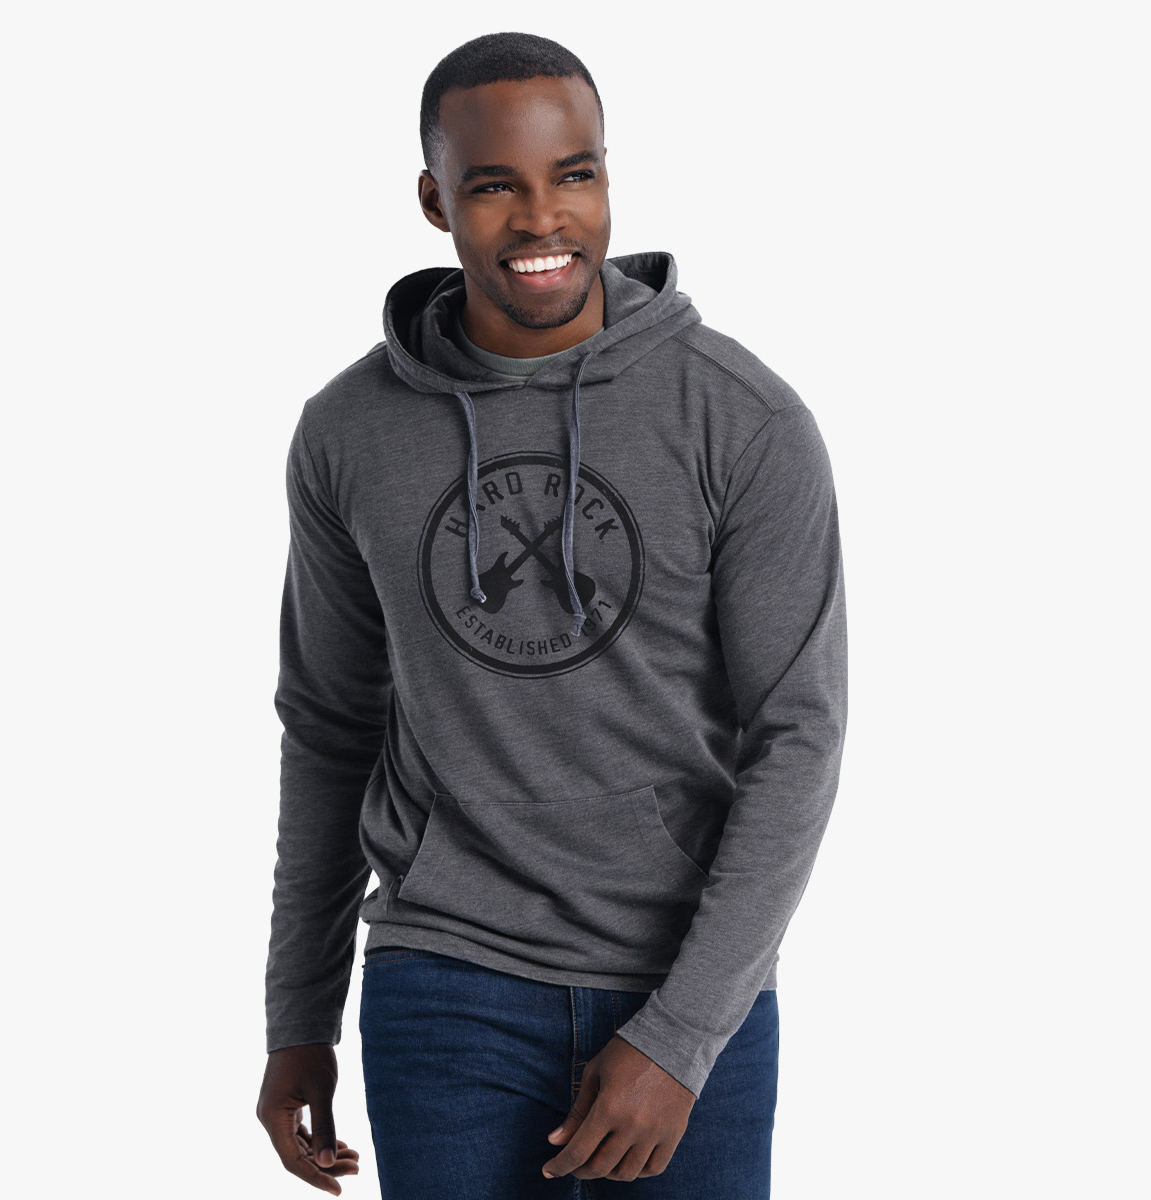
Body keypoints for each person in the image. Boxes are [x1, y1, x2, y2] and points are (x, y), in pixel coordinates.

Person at [256, 31, 847, 1199]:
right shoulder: (349, 433)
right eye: (494, 186)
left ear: (607, 174)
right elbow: (328, 727)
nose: (542, 219)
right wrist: (297, 1014)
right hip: (446, 981)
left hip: (688, 979)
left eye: (574, 175)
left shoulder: (743, 419)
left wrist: (679, 1037)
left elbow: (800, 739)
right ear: (435, 201)